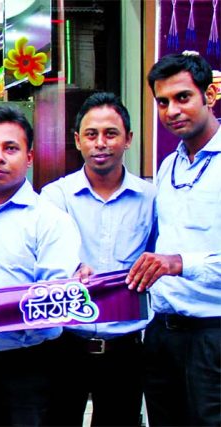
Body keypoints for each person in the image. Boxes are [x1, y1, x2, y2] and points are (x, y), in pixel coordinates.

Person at [0, 105, 82, 426]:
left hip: (27, 368)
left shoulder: (51, 221)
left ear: (30, 157)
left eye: (10, 148)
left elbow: (52, 300)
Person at [40, 92, 155, 426]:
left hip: (126, 351)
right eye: (91, 135)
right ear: (78, 140)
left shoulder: (149, 199)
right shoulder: (55, 197)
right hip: (66, 347)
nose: (100, 143)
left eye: (110, 134)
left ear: (128, 139)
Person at [127, 51, 220, 426]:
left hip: (213, 334)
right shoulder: (169, 166)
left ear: (209, 96)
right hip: (164, 332)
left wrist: (180, 263)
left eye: (183, 97)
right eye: (162, 102)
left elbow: (176, 258)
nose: (172, 111)